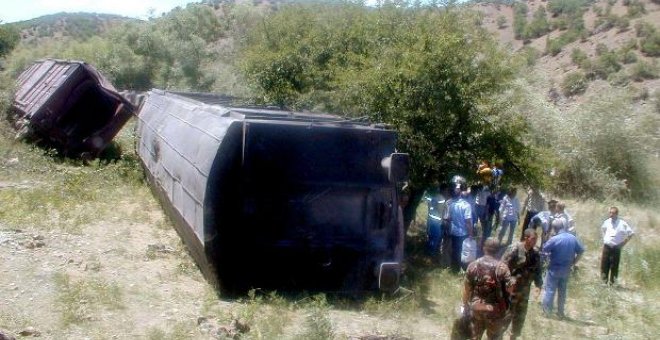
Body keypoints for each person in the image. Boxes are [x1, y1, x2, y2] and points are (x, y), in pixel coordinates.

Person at [461, 238, 515, 340]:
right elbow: (510, 289)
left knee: (474, 337)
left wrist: (464, 304)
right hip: (495, 311)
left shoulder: (473, 265)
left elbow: (467, 289)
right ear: (499, 251)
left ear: (484, 248)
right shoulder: (503, 268)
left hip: (476, 308)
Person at [501, 229, 542, 340]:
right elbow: (502, 267)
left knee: (520, 316)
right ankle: (497, 336)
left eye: (536, 240)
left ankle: (513, 336)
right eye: (533, 239)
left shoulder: (535, 253)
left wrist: (538, 285)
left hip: (524, 291)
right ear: (526, 238)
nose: (535, 242)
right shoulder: (514, 249)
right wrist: (507, 283)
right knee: (506, 315)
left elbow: (538, 270)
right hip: (511, 291)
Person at [541, 219, 584, 319]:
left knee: (550, 290)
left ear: (554, 228)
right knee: (562, 291)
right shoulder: (572, 238)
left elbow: (544, 250)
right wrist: (574, 262)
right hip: (566, 269)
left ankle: (547, 312)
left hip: (554, 268)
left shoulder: (554, 239)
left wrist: (546, 259)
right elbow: (581, 251)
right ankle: (560, 313)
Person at [446, 175, 474, 272]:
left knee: (454, 250)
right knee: (462, 252)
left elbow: (448, 218)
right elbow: (468, 222)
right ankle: (459, 269)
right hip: (462, 233)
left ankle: (454, 268)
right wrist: (471, 234)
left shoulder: (450, 203)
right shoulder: (466, 206)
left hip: (453, 232)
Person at [600, 206, 634, 285]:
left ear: (617, 214)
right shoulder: (607, 222)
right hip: (607, 247)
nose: (611, 215)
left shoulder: (622, 223)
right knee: (604, 265)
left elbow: (631, 233)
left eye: (613, 213)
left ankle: (612, 284)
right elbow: (603, 229)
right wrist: (605, 239)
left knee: (614, 266)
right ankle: (603, 283)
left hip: (616, 248)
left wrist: (623, 243)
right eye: (610, 212)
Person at [425, 183, 449, 259]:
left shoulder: (433, 197)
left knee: (431, 237)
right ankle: (433, 255)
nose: (447, 192)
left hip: (431, 219)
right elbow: (441, 212)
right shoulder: (441, 199)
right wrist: (443, 221)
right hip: (438, 222)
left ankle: (429, 251)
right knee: (436, 238)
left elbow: (430, 209)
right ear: (443, 190)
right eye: (446, 190)